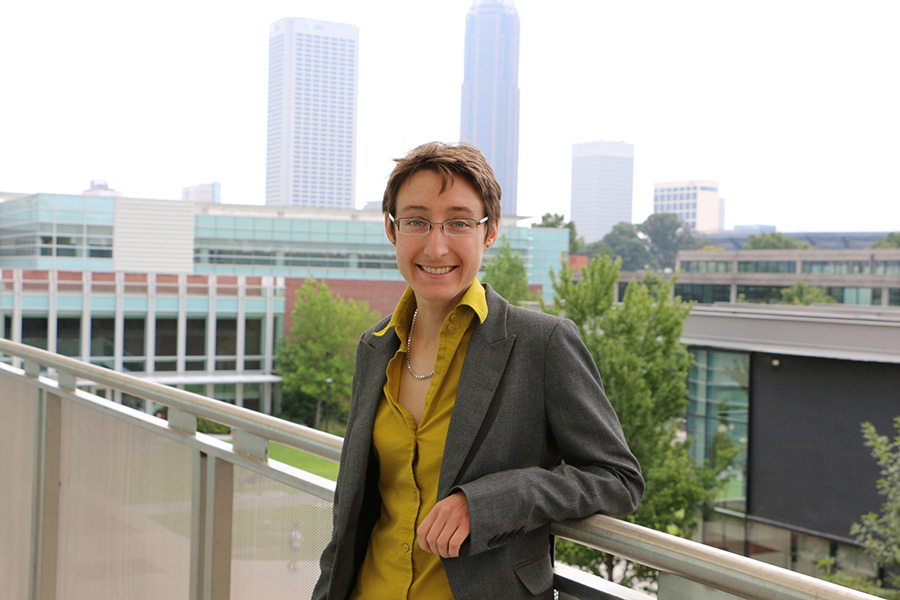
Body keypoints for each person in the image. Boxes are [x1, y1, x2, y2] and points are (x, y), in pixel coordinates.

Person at [313, 142, 643, 600]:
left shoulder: (541, 344)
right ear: (392, 229)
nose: (436, 244)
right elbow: (351, 515)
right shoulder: (375, 346)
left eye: (459, 222)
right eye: (416, 221)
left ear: (489, 232)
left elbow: (619, 480)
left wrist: (492, 501)